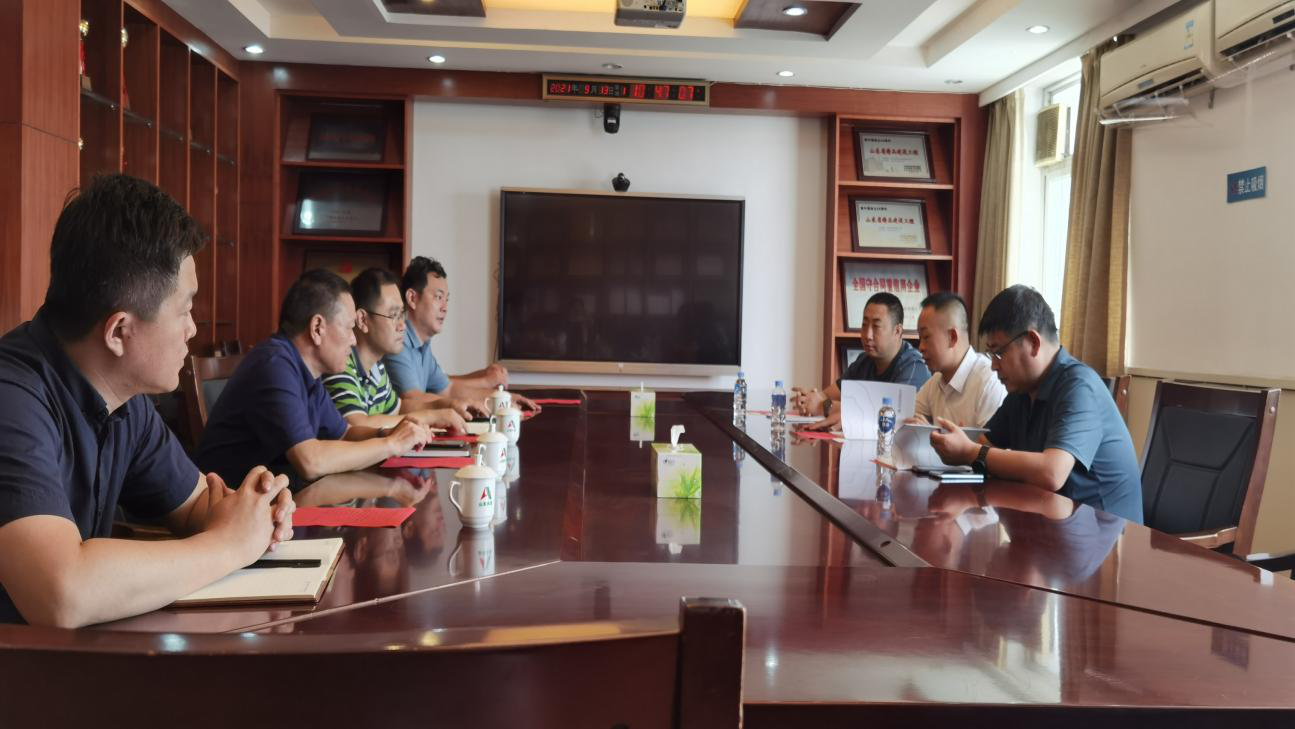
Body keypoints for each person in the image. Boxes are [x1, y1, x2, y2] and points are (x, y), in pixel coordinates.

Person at [0, 174, 293, 627]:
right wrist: (229, 545)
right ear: (119, 331)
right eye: (185, 309)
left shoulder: (124, 399)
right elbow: (61, 593)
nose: (192, 329)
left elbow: (198, 506)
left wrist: (255, 512)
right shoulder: (12, 399)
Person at [197, 270, 454, 489]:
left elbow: (345, 433)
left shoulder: (308, 372)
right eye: (349, 327)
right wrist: (391, 444)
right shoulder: (275, 365)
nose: (353, 339)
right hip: (222, 509)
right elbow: (310, 461)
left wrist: (389, 432)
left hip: (271, 502)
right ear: (317, 328)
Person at [929, 285, 1143, 523]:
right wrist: (956, 444)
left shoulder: (1079, 386)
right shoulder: (1022, 391)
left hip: (1106, 536)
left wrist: (970, 452)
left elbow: (1052, 473)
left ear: (1033, 342)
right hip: (1053, 526)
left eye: (998, 353)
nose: (994, 366)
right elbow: (984, 444)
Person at [321, 267, 476, 428]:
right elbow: (357, 424)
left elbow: (398, 408)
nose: (402, 326)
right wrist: (430, 417)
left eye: (402, 314)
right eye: (394, 315)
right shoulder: (340, 365)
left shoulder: (376, 368)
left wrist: (447, 405)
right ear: (362, 320)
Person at [385, 257, 540, 413]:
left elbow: (449, 389)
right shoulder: (398, 342)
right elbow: (413, 399)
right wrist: (467, 402)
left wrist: (503, 398)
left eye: (446, 299)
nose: (445, 307)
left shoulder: (423, 345)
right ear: (412, 298)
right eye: (438, 297)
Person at [796, 292, 930, 431]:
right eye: (864, 325)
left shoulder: (914, 367)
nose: (868, 335)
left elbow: (889, 417)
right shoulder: (865, 360)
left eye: (876, 327)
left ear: (897, 331)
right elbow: (826, 395)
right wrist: (808, 400)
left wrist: (824, 406)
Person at [909, 292, 1006, 427]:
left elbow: (990, 441)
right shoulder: (936, 381)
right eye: (920, 339)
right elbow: (907, 417)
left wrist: (929, 434)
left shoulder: (989, 382)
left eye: (926, 337)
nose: (921, 347)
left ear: (952, 337)